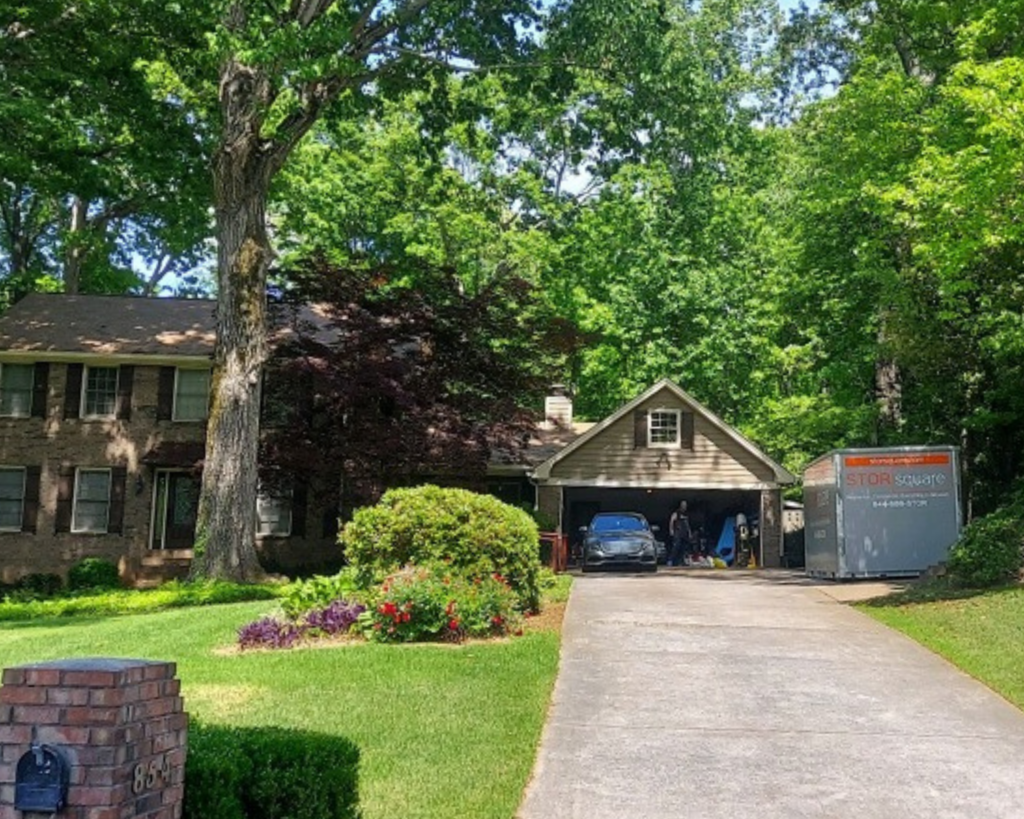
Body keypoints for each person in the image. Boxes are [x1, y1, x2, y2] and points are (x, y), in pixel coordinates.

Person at [668, 501, 693, 566]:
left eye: (685, 505)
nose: (684, 507)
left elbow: (687, 524)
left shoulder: (686, 514)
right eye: (683, 505)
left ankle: (681, 561)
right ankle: (670, 560)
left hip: (684, 533)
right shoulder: (676, 513)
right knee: (676, 547)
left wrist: (689, 533)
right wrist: (671, 530)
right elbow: (671, 521)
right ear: (681, 505)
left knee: (683, 548)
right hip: (677, 532)